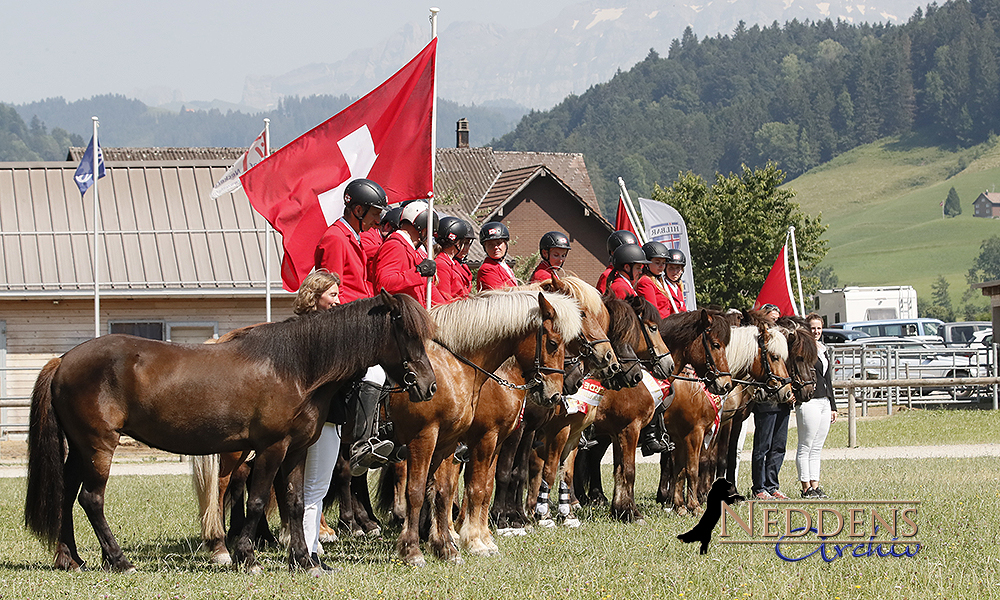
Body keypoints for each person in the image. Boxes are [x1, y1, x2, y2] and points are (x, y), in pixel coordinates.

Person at [312, 178, 394, 478]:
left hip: (360, 320)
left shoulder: (353, 237)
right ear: (357, 209)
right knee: (374, 370)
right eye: (374, 212)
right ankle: (359, 443)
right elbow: (333, 290)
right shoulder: (336, 238)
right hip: (345, 326)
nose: (377, 220)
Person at [293, 269, 343, 572]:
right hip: (324, 418)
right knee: (314, 490)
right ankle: (308, 553)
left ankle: (307, 548)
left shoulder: (298, 328)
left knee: (308, 490)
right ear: (317, 296)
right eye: (333, 295)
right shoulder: (324, 331)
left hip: (303, 418)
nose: (338, 300)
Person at [374, 200, 446, 306]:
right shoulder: (395, 245)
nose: (428, 236)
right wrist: (418, 272)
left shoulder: (411, 249)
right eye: (428, 230)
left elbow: (427, 288)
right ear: (421, 227)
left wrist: (446, 310)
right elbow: (384, 284)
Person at [797, 313, 837, 499]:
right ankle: (806, 487)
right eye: (813, 328)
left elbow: (828, 379)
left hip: (824, 401)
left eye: (819, 328)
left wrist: (833, 405)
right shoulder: (803, 349)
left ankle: (816, 484)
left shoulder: (823, 349)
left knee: (817, 447)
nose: (816, 331)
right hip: (809, 401)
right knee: (806, 445)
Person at [434, 216, 470, 301]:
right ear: (458, 243)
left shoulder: (452, 262)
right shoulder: (441, 264)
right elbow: (444, 297)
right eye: (463, 242)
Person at [635, 241, 672, 320]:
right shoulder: (645, 282)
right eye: (657, 262)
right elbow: (653, 312)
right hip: (660, 325)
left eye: (663, 263)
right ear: (646, 263)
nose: (661, 266)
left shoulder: (660, 280)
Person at [477, 221, 518, 291]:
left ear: (505, 245)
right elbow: (499, 296)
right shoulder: (487, 269)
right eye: (490, 245)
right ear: (485, 248)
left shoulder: (504, 266)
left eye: (499, 243)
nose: (495, 247)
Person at [659, 248, 688, 315]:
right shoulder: (662, 287)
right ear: (665, 269)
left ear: (682, 270)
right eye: (671, 268)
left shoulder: (678, 288)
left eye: (678, 268)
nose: (675, 272)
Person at [453, 220, 476, 298]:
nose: (465, 248)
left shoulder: (463, 265)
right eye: (462, 243)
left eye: (468, 243)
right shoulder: (449, 264)